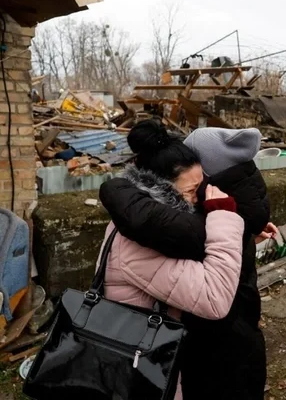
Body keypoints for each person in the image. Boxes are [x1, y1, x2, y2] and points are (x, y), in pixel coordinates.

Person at [100, 125, 272, 400]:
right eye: (192, 191)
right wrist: (224, 218)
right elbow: (214, 299)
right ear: (161, 189)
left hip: (156, 352)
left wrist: (245, 232)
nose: (198, 200)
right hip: (144, 364)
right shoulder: (140, 243)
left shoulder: (153, 225)